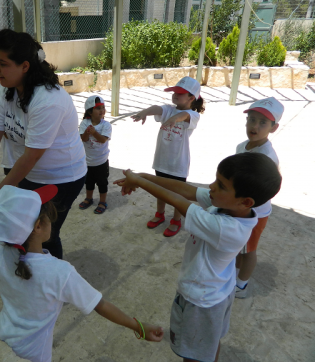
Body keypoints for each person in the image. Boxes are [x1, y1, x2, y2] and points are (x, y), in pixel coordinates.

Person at [114, 152, 282, 362]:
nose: (212, 186)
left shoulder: (228, 229)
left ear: (246, 201)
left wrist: (138, 181)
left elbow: (179, 201)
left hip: (201, 302)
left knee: (192, 354)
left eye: (220, 185)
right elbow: (186, 190)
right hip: (217, 293)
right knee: (209, 345)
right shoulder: (228, 207)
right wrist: (145, 177)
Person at [0, 185, 164, 362]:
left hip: (0, 335)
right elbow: (100, 305)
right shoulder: (59, 272)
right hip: (32, 354)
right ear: (38, 226)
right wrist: (138, 327)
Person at [0, 28, 87, 259]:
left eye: (3, 63)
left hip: (60, 178)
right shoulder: (6, 91)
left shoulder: (48, 100)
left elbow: (32, 156)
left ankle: (51, 283)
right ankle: (27, 277)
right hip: (24, 171)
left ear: (25, 66)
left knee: (44, 234)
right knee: (21, 229)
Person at [131, 76, 205, 237]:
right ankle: (160, 214)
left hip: (178, 164)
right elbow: (157, 108)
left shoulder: (193, 115)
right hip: (161, 161)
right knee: (160, 190)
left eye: (180, 93)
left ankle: (176, 220)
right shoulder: (169, 109)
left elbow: (184, 117)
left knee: (178, 194)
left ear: (192, 97)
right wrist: (145, 112)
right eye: (174, 92)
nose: (175, 95)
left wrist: (175, 118)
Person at [234, 97, 283, 299]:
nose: (255, 126)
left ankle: (241, 285)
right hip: (239, 207)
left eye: (263, 122)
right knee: (238, 245)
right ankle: (234, 274)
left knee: (249, 250)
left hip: (255, 212)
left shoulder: (267, 158)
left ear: (274, 127)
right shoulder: (242, 146)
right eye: (252, 119)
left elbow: (270, 188)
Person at [78, 95, 112, 214]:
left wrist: (94, 132)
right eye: (98, 108)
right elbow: (84, 139)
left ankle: (102, 201)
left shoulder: (106, 125)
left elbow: (103, 140)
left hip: (101, 161)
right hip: (88, 161)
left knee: (102, 182)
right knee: (89, 182)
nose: (102, 110)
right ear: (90, 111)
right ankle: (89, 198)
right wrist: (88, 132)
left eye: (103, 107)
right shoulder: (85, 123)